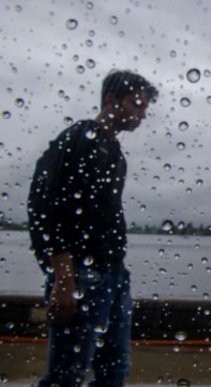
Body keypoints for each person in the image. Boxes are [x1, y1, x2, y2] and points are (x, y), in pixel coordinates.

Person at [27, 70, 157, 387]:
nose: (141, 114)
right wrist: (63, 275)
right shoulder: (81, 137)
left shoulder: (115, 154)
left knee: (114, 370)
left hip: (113, 273)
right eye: (136, 104)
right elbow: (46, 203)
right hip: (82, 275)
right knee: (66, 374)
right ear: (111, 99)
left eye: (145, 108)